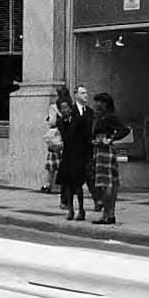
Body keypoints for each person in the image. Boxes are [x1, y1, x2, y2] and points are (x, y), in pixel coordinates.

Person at [88, 93, 130, 225]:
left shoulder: (110, 117)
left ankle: (107, 214)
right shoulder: (98, 116)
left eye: (99, 102)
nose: (96, 105)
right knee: (106, 183)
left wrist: (111, 139)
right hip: (98, 149)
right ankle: (109, 214)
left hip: (105, 151)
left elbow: (125, 130)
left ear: (105, 104)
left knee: (107, 184)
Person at [55, 90, 92, 221]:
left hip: (78, 155)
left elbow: (84, 137)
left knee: (78, 185)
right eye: (62, 108)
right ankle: (70, 209)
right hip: (67, 156)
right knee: (68, 185)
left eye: (67, 108)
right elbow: (65, 137)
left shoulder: (79, 120)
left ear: (71, 108)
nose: (65, 111)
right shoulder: (60, 122)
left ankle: (81, 209)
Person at [72, 84, 99, 209]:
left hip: (88, 149)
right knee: (76, 179)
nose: (86, 95)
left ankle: (97, 200)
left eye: (86, 93)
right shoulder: (71, 111)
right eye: (83, 93)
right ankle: (70, 203)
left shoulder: (90, 112)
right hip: (74, 150)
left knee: (90, 176)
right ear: (76, 95)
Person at [41, 85, 70, 194]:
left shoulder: (54, 107)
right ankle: (64, 185)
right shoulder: (71, 106)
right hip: (66, 136)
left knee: (52, 164)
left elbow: (51, 122)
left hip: (56, 136)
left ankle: (49, 184)